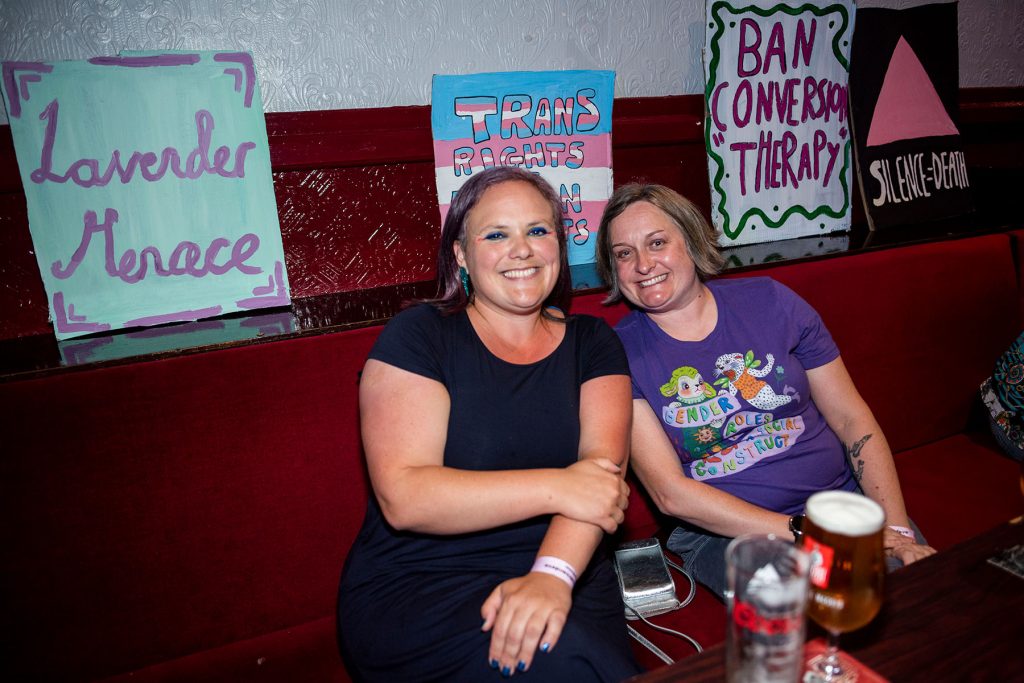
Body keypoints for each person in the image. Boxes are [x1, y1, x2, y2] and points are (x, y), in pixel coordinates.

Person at [337, 167, 642, 682]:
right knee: (560, 661)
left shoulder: (594, 342)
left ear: (560, 246)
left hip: (567, 565)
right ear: (461, 254)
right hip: (425, 583)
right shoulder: (420, 335)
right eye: (496, 234)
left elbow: (602, 484)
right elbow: (406, 497)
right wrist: (561, 484)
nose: (520, 249)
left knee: (586, 659)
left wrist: (551, 577)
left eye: (538, 231)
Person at [594, 183, 936, 599]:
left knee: (919, 588)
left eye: (658, 242)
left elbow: (852, 420)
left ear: (691, 239)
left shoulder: (772, 302)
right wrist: (811, 535)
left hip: (838, 499)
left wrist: (894, 530)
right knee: (819, 597)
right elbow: (671, 494)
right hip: (726, 535)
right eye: (624, 253)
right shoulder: (616, 353)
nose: (643, 264)